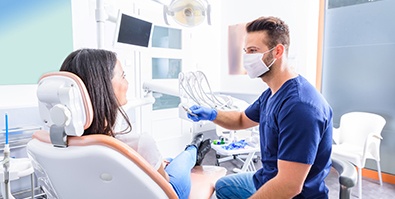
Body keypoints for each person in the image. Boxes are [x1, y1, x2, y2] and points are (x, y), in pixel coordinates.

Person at [187, 16, 333, 199]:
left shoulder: (300, 107)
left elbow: (289, 186)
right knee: (221, 186)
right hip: (265, 178)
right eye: (246, 51)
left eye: (253, 50)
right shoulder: (271, 93)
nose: (247, 58)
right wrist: (212, 114)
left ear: (278, 51)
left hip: (295, 195)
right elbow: (241, 119)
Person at [59, 48, 212, 199]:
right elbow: (164, 182)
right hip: (170, 192)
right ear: (104, 87)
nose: (128, 82)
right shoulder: (139, 143)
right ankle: (193, 150)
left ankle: (181, 156)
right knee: (183, 161)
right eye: (123, 76)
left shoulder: (60, 143)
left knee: (169, 160)